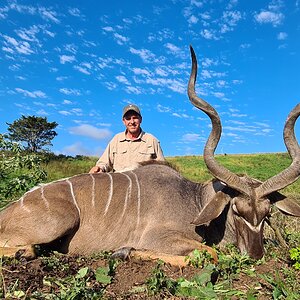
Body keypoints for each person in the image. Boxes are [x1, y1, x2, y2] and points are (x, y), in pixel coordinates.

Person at [89, 104, 165, 173]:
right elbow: (104, 162)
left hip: (143, 185)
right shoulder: (116, 139)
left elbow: (162, 168)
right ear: (124, 121)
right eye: (128, 119)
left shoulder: (151, 140)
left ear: (140, 119)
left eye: (135, 118)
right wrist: (99, 168)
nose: (132, 122)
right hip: (120, 183)